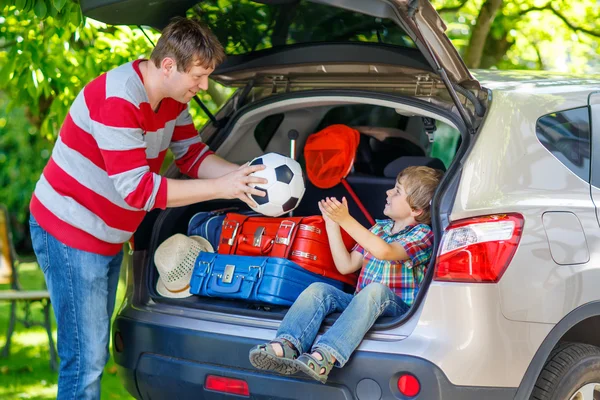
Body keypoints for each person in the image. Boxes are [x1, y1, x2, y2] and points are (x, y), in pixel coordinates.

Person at [28, 17, 267, 400]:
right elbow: (137, 190)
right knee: (85, 359)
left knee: (93, 352)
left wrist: (242, 177)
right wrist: (220, 188)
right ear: (169, 66)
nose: (204, 86)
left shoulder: (173, 100)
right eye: (199, 76)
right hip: (69, 230)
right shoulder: (118, 99)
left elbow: (192, 155)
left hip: (106, 235)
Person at [249, 166, 443, 383]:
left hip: (395, 307)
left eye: (397, 191)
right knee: (318, 290)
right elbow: (346, 265)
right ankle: (287, 345)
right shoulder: (378, 229)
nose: (388, 193)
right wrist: (333, 225)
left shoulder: (423, 235)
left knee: (375, 291)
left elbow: (385, 251)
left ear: (416, 210)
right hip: (361, 302)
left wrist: (346, 220)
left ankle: (325, 355)